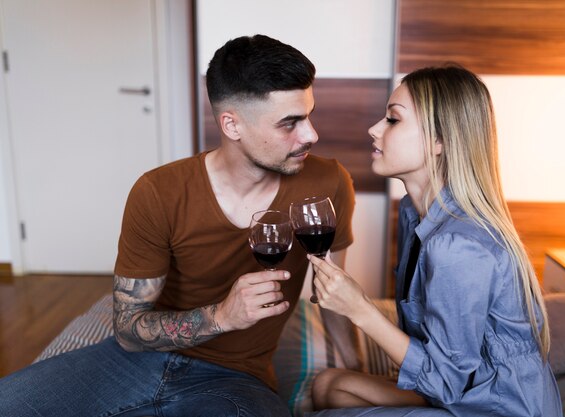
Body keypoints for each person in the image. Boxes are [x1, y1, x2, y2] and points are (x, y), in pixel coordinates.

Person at [0, 34, 360, 417]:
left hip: (235, 379)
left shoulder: (328, 183)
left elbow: (333, 290)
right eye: (290, 123)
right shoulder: (158, 191)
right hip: (132, 363)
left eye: (308, 115)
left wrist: (353, 365)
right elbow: (127, 328)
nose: (311, 135)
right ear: (232, 125)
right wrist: (223, 316)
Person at [305, 65, 563, 417]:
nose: (374, 129)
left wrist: (360, 308)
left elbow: (446, 381)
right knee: (327, 386)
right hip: (458, 388)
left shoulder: (458, 246)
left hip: (493, 406)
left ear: (439, 141)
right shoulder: (415, 212)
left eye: (393, 120)